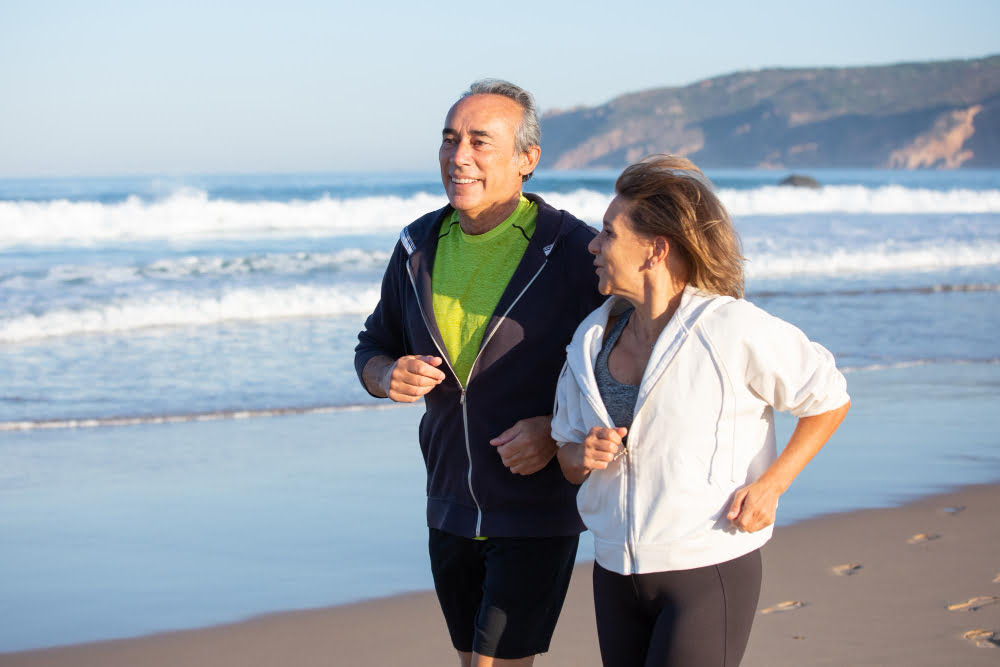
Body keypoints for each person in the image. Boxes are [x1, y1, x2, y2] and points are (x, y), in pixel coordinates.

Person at [551, 155, 851, 667]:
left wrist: (773, 484)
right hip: (613, 571)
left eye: (608, 233)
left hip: (707, 566)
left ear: (655, 249)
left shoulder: (729, 328)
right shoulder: (590, 339)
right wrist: (585, 451)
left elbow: (827, 396)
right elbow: (567, 458)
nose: (594, 245)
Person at [354, 79, 605, 666]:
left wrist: (555, 428)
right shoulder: (416, 245)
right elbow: (372, 345)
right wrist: (386, 374)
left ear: (527, 160)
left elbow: (631, 364)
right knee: (473, 659)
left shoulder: (573, 250)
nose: (458, 156)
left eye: (479, 141)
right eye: (449, 139)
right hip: (447, 499)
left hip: (535, 506)